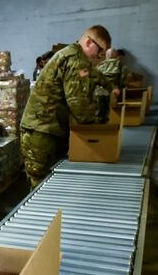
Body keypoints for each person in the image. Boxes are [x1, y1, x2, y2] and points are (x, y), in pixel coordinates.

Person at [20, 26, 111, 188]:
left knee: (53, 183)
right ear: (89, 42)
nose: (100, 57)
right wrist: (98, 131)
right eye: (100, 52)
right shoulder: (76, 60)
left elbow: (94, 75)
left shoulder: (76, 57)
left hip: (49, 129)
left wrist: (110, 87)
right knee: (41, 187)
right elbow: (79, 105)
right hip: (41, 132)